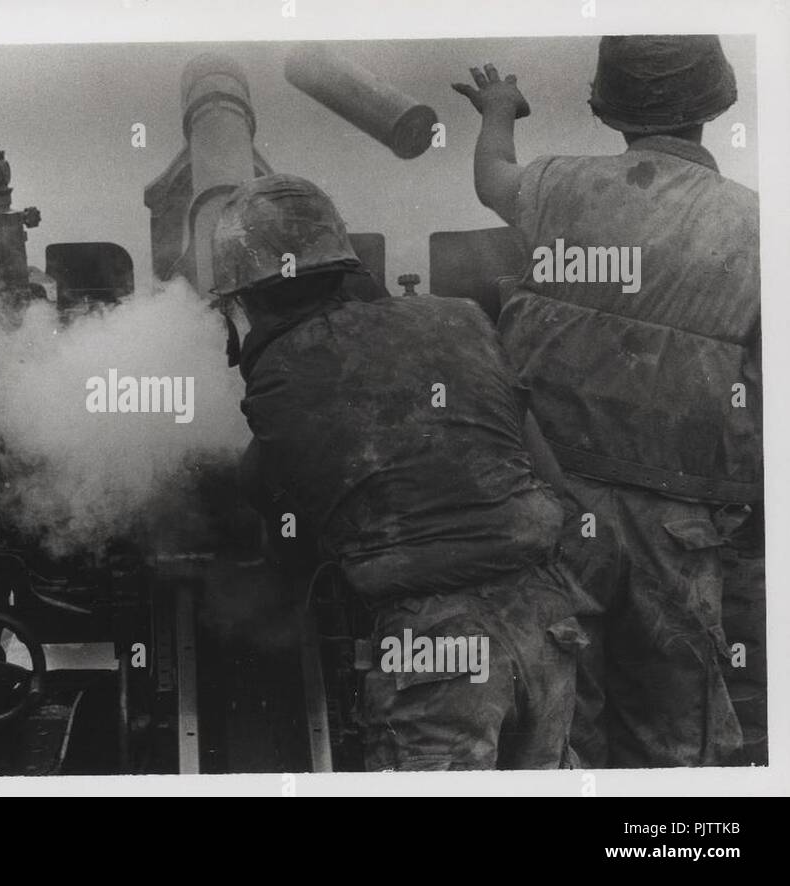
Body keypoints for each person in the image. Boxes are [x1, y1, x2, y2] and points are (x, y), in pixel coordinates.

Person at [453, 36, 762, 766]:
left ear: (605, 107)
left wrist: (500, 108)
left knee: (564, 725)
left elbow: (492, 175)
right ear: (718, 103)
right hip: (684, 525)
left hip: (560, 507)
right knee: (676, 732)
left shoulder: (558, 185)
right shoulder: (757, 226)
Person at [217, 173, 590, 771]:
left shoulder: (281, 373)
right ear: (345, 266)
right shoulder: (460, 318)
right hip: (544, 618)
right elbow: (550, 477)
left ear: (247, 299)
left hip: (435, 646)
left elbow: (270, 507)